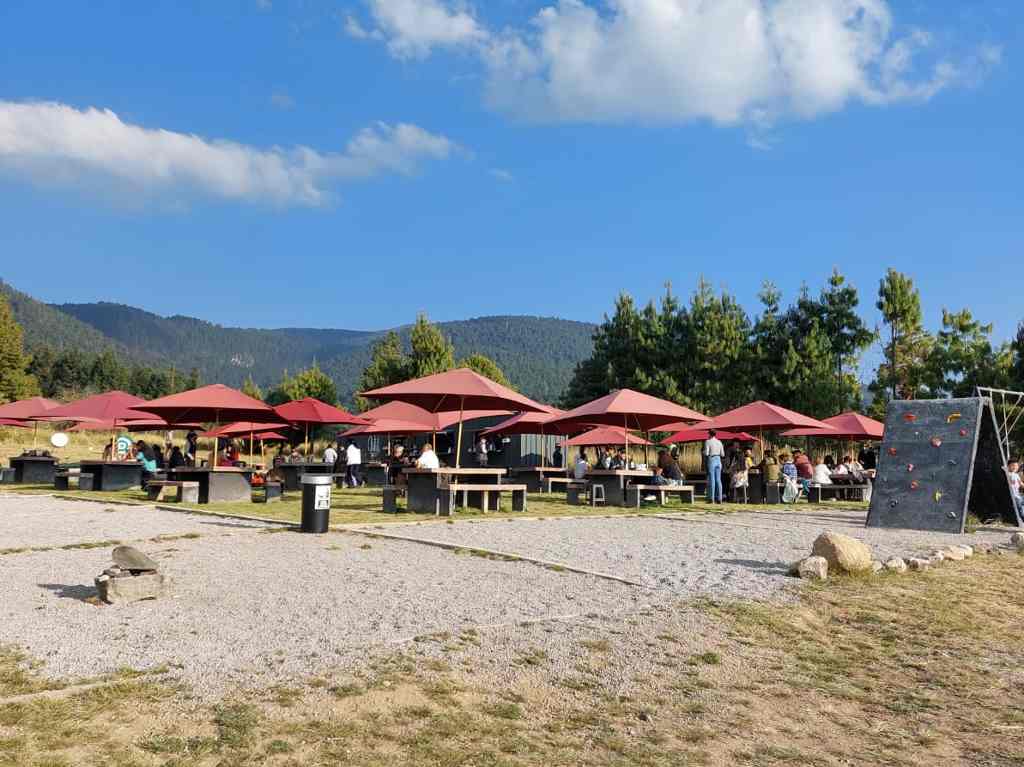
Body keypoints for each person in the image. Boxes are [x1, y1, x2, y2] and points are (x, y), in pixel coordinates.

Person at [704, 429, 725, 504]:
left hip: (712, 459)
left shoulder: (708, 441)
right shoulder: (719, 442)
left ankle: (711, 498)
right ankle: (720, 498)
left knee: (712, 479)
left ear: (709, 434)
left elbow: (706, 453)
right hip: (718, 460)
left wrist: (704, 452)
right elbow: (723, 454)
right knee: (718, 480)